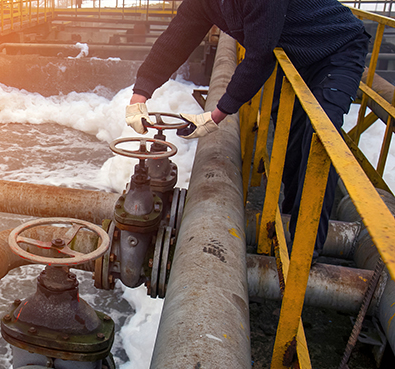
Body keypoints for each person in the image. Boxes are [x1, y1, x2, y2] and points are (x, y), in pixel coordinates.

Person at [125, 0, 369, 260]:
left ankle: (304, 254)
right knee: (291, 146)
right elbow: (176, 40)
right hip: (294, 56)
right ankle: (289, 220)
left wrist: (215, 115)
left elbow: (259, 56)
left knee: (317, 138)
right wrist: (140, 94)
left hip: (336, 50)